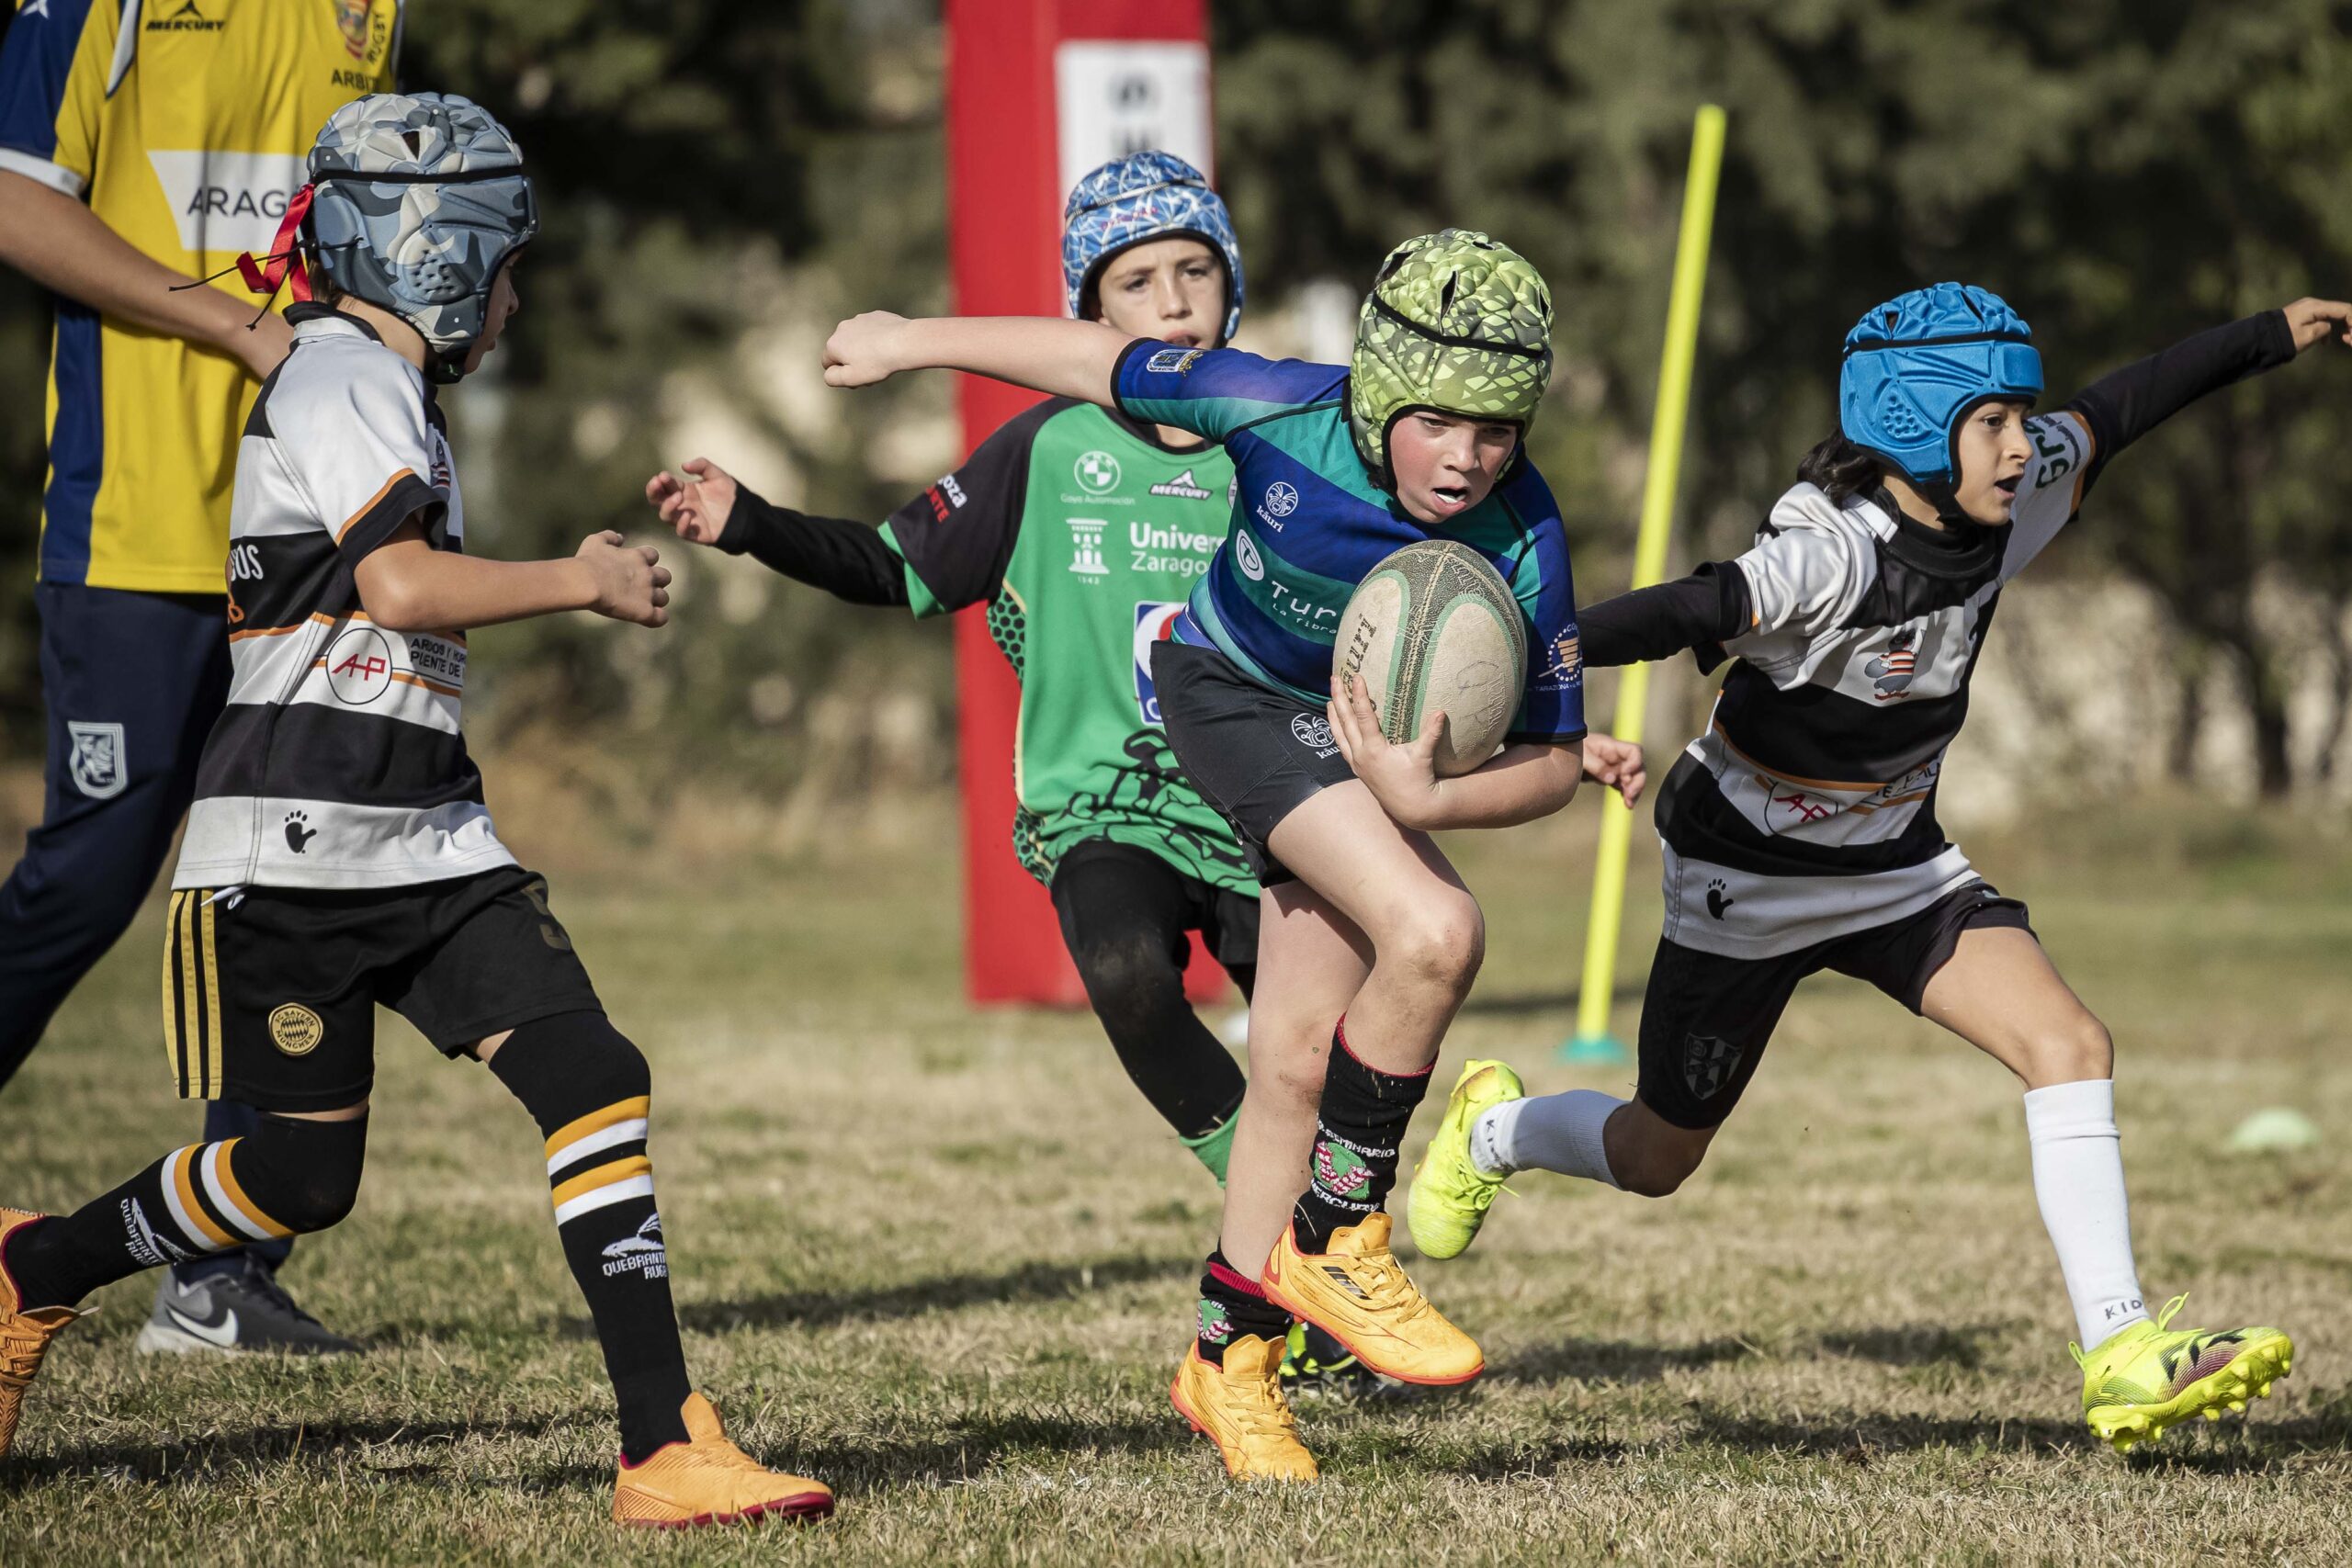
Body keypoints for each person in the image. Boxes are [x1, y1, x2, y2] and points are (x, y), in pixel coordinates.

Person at [0, 94, 834, 1529]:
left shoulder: (395, 395)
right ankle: (35, 1271)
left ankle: (663, 1442)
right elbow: (398, 588)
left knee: (594, 1073)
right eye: (506, 270)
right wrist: (580, 579)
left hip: (432, 839)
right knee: (295, 1177)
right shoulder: (340, 374)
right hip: (291, 851)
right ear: (437, 258)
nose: (513, 302)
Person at [1408, 284, 2351, 1452]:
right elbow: (1683, 609)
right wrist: (1519, 646)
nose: (2025, 444)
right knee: (1656, 1156)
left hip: (1900, 868)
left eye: (2022, 417)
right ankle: (1493, 1131)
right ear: (1913, 425)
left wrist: (2274, 333)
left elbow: (2126, 404)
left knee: (2069, 1045)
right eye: (1993, 421)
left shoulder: (2017, 488)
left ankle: (2120, 1352)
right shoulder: (1827, 556)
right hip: (1745, 884)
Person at [818, 228, 1643, 1481]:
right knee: (1437, 932)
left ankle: (1227, 1364)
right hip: (1227, 694)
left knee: (1295, 1063)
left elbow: (1549, 758)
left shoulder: (1523, 525)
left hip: (1353, 748)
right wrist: (907, 340)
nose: (1466, 458)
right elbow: (1094, 360)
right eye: (1437, 423)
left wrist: (1432, 795)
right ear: (1380, 393)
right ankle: (1342, 1236)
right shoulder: (1276, 405)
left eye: (1497, 431)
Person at [648, 149, 1373, 1392]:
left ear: (1232, 287)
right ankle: (1284, 1236)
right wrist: (751, 522)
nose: (1174, 301)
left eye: (1195, 271)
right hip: (1107, 802)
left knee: (1316, 1061)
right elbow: (897, 566)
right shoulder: (1044, 449)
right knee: (1125, 970)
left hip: (1266, 805)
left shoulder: (1284, 450)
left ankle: (1321, 1279)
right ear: (1089, 312)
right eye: (1137, 281)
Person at [0, 0, 405, 1353]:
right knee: (91, 873)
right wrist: (239, 326)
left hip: (308, 524)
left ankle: (219, 1279)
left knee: (285, 881)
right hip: (134, 528)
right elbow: (15, 203)